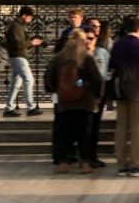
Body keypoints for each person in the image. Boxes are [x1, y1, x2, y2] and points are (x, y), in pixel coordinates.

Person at [44, 29, 102, 174]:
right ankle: (85, 164)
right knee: (84, 134)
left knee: (65, 133)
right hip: (85, 102)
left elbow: (49, 79)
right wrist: (98, 96)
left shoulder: (59, 58)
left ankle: (63, 162)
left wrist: (58, 90)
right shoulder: (87, 58)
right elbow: (97, 79)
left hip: (65, 102)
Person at [109, 16, 139, 177]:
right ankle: (136, 164)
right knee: (137, 129)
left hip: (121, 89)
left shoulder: (117, 45)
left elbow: (112, 68)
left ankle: (121, 164)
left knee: (121, 127)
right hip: (138, 89)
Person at [3, 6, 43, 117]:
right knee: (29, 80)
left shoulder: (19, 26)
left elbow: (20, 42)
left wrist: (30, 42)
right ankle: (31, 107)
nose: (30, 20)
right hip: (18, 57)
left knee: (16, 83)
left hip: (17, 56)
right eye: (30, 18)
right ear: (24, 15)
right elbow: (18, 44)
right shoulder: (16, 26)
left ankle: (9, 108)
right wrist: (32, 43)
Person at [85, 24, 110, 168]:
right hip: (83, 96)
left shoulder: (102, 53)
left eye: (91, 38)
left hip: (98, 95)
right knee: (84, 128)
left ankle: (92, 156)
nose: (89, 41)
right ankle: (84, 157)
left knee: (94, 127)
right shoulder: (78, 53)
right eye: (86, 38)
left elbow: (107, 73)